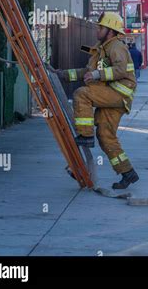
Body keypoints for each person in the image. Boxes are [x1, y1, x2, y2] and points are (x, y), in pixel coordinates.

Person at [51, 12, 139, 190]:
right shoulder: (101, 49)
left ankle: (85, 135)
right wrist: (63, 74)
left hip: (117, 93)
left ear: (111, 31)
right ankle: (127, 173)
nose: (97, 29)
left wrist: (98, 74)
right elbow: (86, 71)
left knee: (82, 94)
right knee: (106, 137)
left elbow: (121, 70)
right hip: (112, 96)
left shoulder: (116, 46)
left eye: (101, 27)